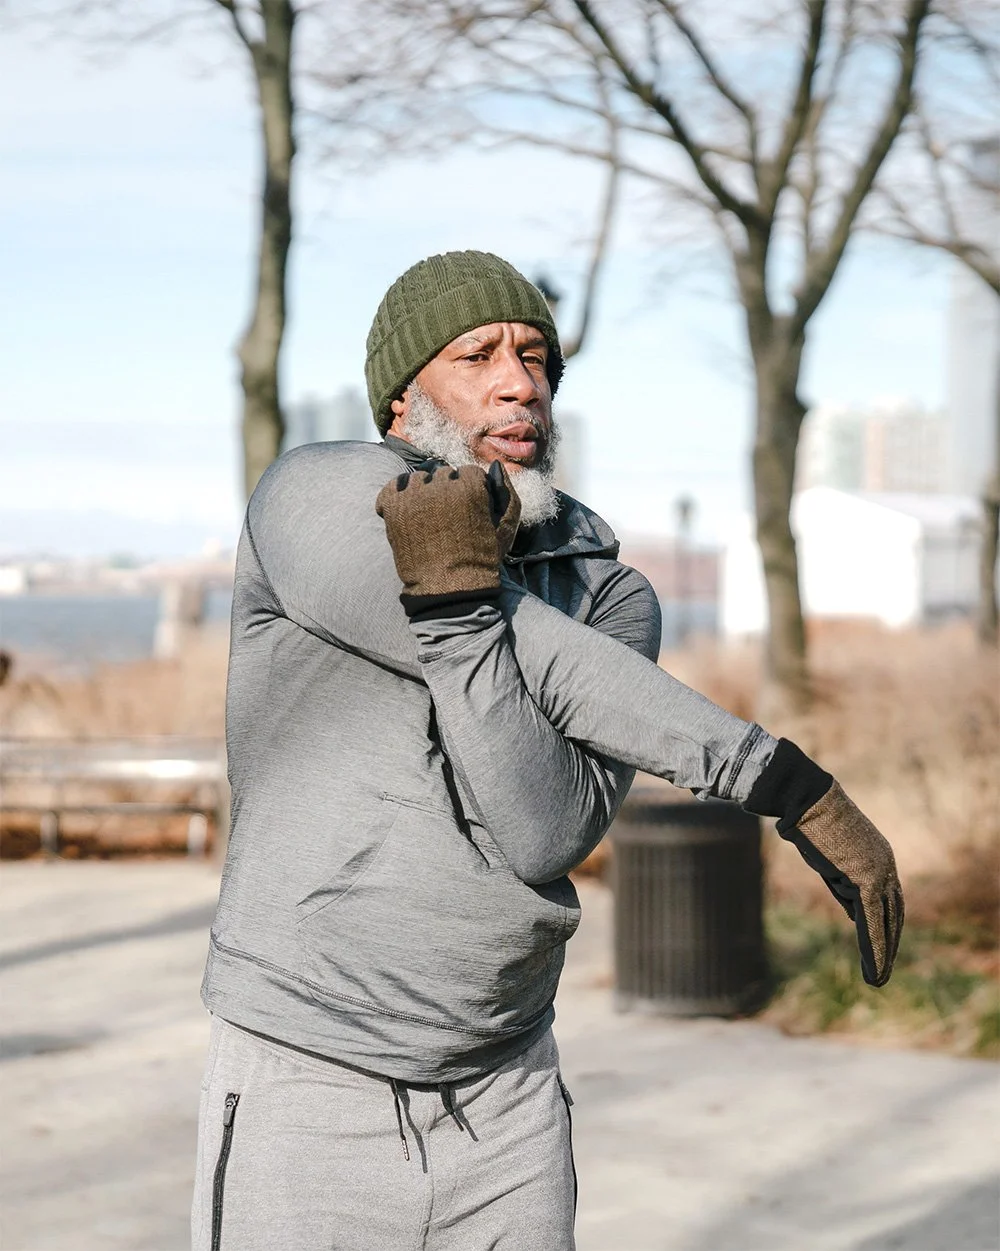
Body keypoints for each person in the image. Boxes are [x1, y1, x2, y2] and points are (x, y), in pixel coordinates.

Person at [192, 250, 903, 1251]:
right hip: (307, 1081)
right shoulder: (316, 498)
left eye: (535, 357)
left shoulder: (607, 594)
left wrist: (458, 616)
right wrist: (778, 779)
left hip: (508, 1097)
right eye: (476, 354)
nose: (518, 380)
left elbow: (544, 830)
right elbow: (536, 653)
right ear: (402, 401)